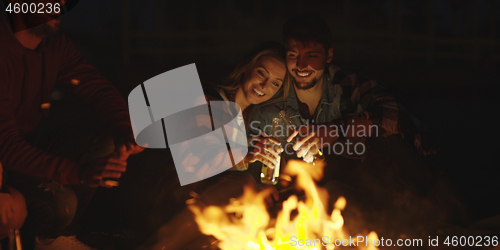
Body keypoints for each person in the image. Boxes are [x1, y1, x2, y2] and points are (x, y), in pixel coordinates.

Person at [247, 14, 464, 233]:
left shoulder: (346, 85)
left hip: (364, 194)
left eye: (312, 55)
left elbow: (396, 115)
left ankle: (432, 228)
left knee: (389, 145)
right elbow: (254, 172)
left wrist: (336, 129)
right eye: (294, 55)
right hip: (304, 206)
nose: (301, 65)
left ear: (328, 55)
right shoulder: (272, 101)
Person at [0, 0, 143, 249]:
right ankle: (47, 237)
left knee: (103, 137)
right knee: (60, 203)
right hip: (3, 163)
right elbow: (6, 147)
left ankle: (57, 237)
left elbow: (95, 88)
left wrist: (126, 131)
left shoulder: (53, 45)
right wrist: (79, 173)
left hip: (23, 145)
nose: (62, 4)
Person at [140, 42, 289, 250]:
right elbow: (192, 165)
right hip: (168, 200)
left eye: (275, 83)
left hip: (200, 207)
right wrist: (246, 157)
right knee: (242, 184)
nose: (264, 85)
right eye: (261, 73)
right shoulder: (212, 101)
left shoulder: (249, 117)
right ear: (246, 69)